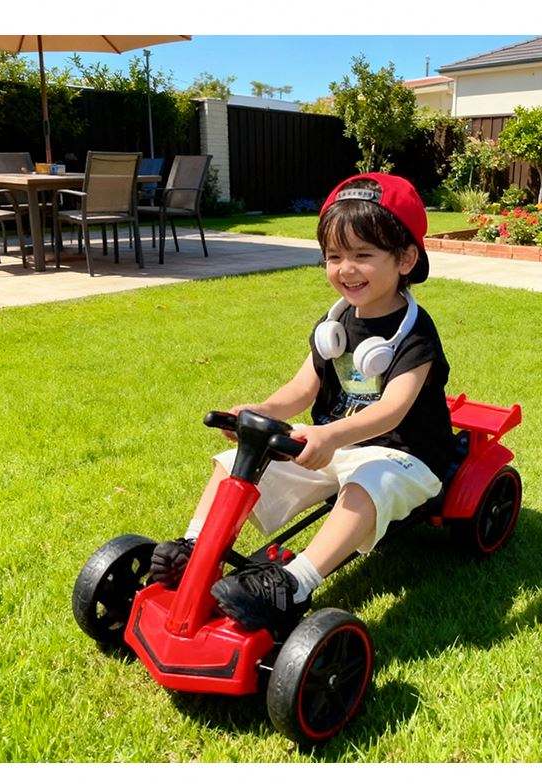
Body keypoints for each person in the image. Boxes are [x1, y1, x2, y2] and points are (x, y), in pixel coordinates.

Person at [150, 172, 455, 635]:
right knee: (234, 463)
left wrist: (330, 435)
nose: (346, 269)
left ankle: (294, 583)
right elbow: (302, 388)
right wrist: (262, 411)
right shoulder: (333, 326)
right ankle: (195, 548)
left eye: (363, 255)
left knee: (370, 482)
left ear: (406, 258)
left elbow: (393, 409)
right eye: (334, 256)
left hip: (404, 454)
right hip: (332, 446)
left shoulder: (415, 335)